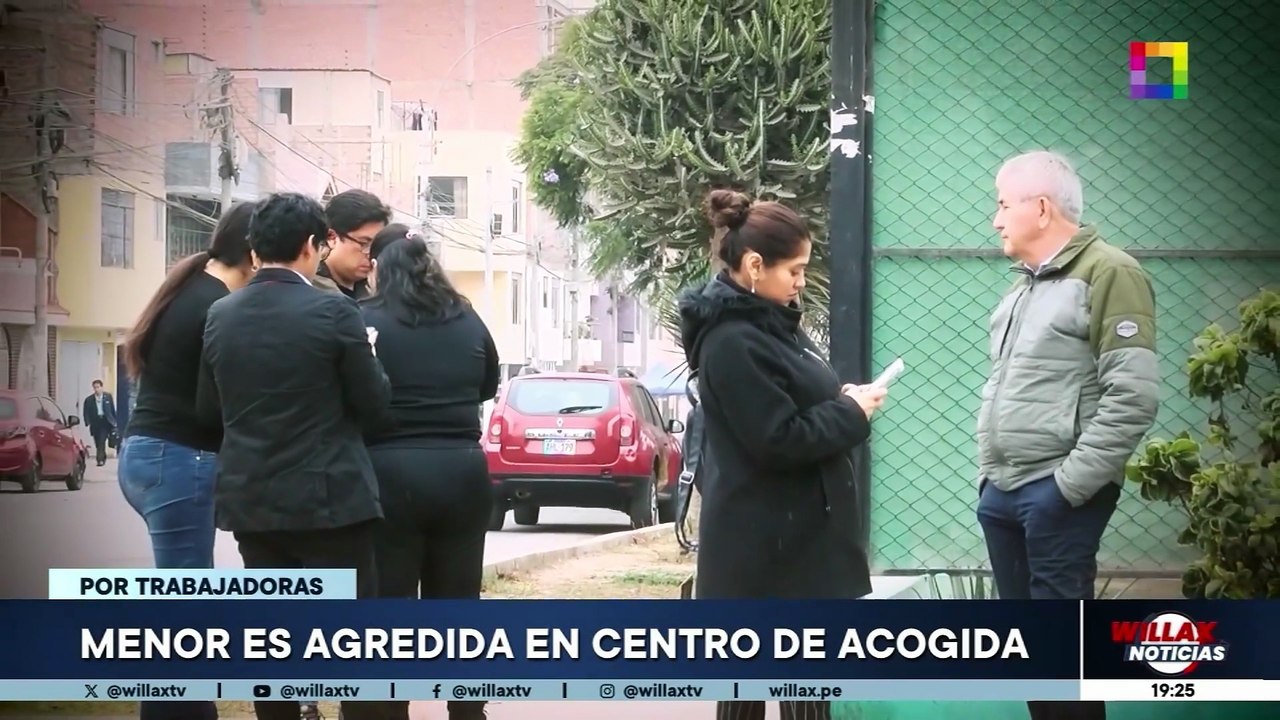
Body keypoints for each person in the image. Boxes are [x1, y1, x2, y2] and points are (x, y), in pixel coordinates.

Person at [677, 189, 887, 720]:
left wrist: (840, 401)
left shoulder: (774, 326)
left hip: (795, 539)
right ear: (754, 265)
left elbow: (789, 407)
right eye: (794, 270)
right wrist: (850, 414)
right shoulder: (734, 342)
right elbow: (776, 438)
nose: (800, 282)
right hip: (764, 547)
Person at [977, 151, 1159, 720]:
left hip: (1056, 493)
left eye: (1002, 205)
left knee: (1063, 659)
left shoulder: (1110, 273)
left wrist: (1066, 488)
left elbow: (1133, 397)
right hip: (1003, 491)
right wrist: (989, 482)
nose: (996, 220)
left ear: (1041, 208)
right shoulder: (1022, 290)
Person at [196, 192, 390, 720]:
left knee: (273, 641)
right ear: (311, 245)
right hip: (332, 501)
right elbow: (374, 404)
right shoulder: (334, 310)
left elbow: (208, 408)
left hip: (254, 501)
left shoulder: (220, 314)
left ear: (255, 248)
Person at [115, 201, 255, 720]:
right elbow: (218, 401)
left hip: (151, 455)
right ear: (255, 254)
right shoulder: (215, 305)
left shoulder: (190, 286)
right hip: (178, 459)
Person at [360, 224, 499, 720]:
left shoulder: (365, 319)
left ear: (378, 268)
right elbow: (488, 383)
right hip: (461, 469)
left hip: (389, 471)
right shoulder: (466, 317)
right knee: (459, 603)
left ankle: (388, 709)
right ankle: (467, 710)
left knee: (389, 607)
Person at [314, 189, 392, 299]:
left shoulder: (379, 290)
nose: (371, 255)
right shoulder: (310, 291)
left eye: (377, 245)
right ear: (331, 237)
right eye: (364, 243)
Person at [82, 379, 118, 466]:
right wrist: (87, 422)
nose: (96, 389)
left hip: (105, 421)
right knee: (97, 442)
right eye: (95, 387)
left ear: (101, 387)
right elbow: (86, 412)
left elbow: (112, 409)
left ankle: (100, 460)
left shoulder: (108, 397)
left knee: (102, 440)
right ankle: (102, 455)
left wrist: (114, 421)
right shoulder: (89, 399)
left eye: (98, 387)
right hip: (95, 422)